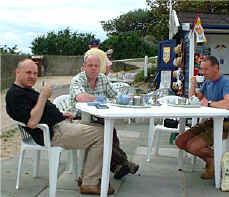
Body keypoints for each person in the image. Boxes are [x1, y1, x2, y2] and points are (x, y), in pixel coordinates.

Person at [5, 59, 115, 195]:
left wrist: (62, 115)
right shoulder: (14, 95)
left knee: (101, 127)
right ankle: (90, 183)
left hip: (61, 124)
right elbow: (32, 122)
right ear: (17, 72)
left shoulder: (25, 90)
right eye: (28, 72)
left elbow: (42, 111)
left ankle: (87, 177)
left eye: (35, 73)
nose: (33, 77)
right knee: (102, 134)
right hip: (53, 133)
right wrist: (43, 96)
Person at [69, 54, 139, 181]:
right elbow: (81, 97)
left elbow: (115, 95)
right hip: (79, 119)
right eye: (90, 65)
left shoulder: (102, 78)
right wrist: (100, 99)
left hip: (99, 118)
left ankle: (117, 167)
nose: (93, 68)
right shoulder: (77, 80)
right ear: (84, 67)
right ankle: (124, 163)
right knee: (105, 131)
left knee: (109, 128)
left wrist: (127, 98)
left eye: (96, 66)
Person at [175, 56, 229, 179]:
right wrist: (192, 86)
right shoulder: (208, 82)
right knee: (180, 141)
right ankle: (212, 160)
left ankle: (216, 161)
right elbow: (195, 99)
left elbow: (227, 104)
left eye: (206, 69)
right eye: (202, 69)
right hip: (211, 122)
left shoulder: (226, 82)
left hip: (224, 124)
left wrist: (209, 103)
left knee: (193, 146)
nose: (203, 72)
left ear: (216, 68)